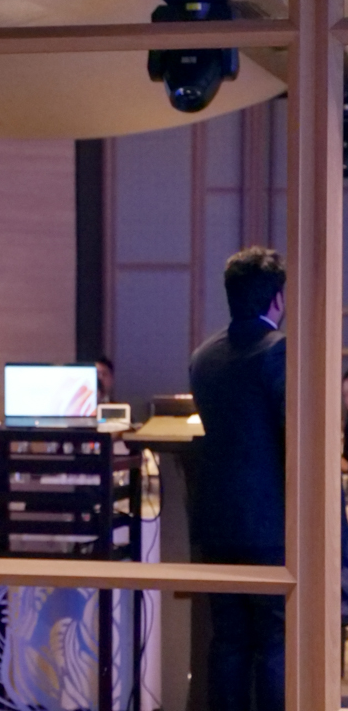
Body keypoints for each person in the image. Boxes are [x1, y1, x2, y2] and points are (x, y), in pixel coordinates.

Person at [189, 246, 286, 711]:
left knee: (227, 639)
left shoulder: (202, 357)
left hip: (216, 519)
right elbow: (293, 435)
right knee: (274, 640)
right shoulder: (280, 351)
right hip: (270, 520)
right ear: (277, 298)